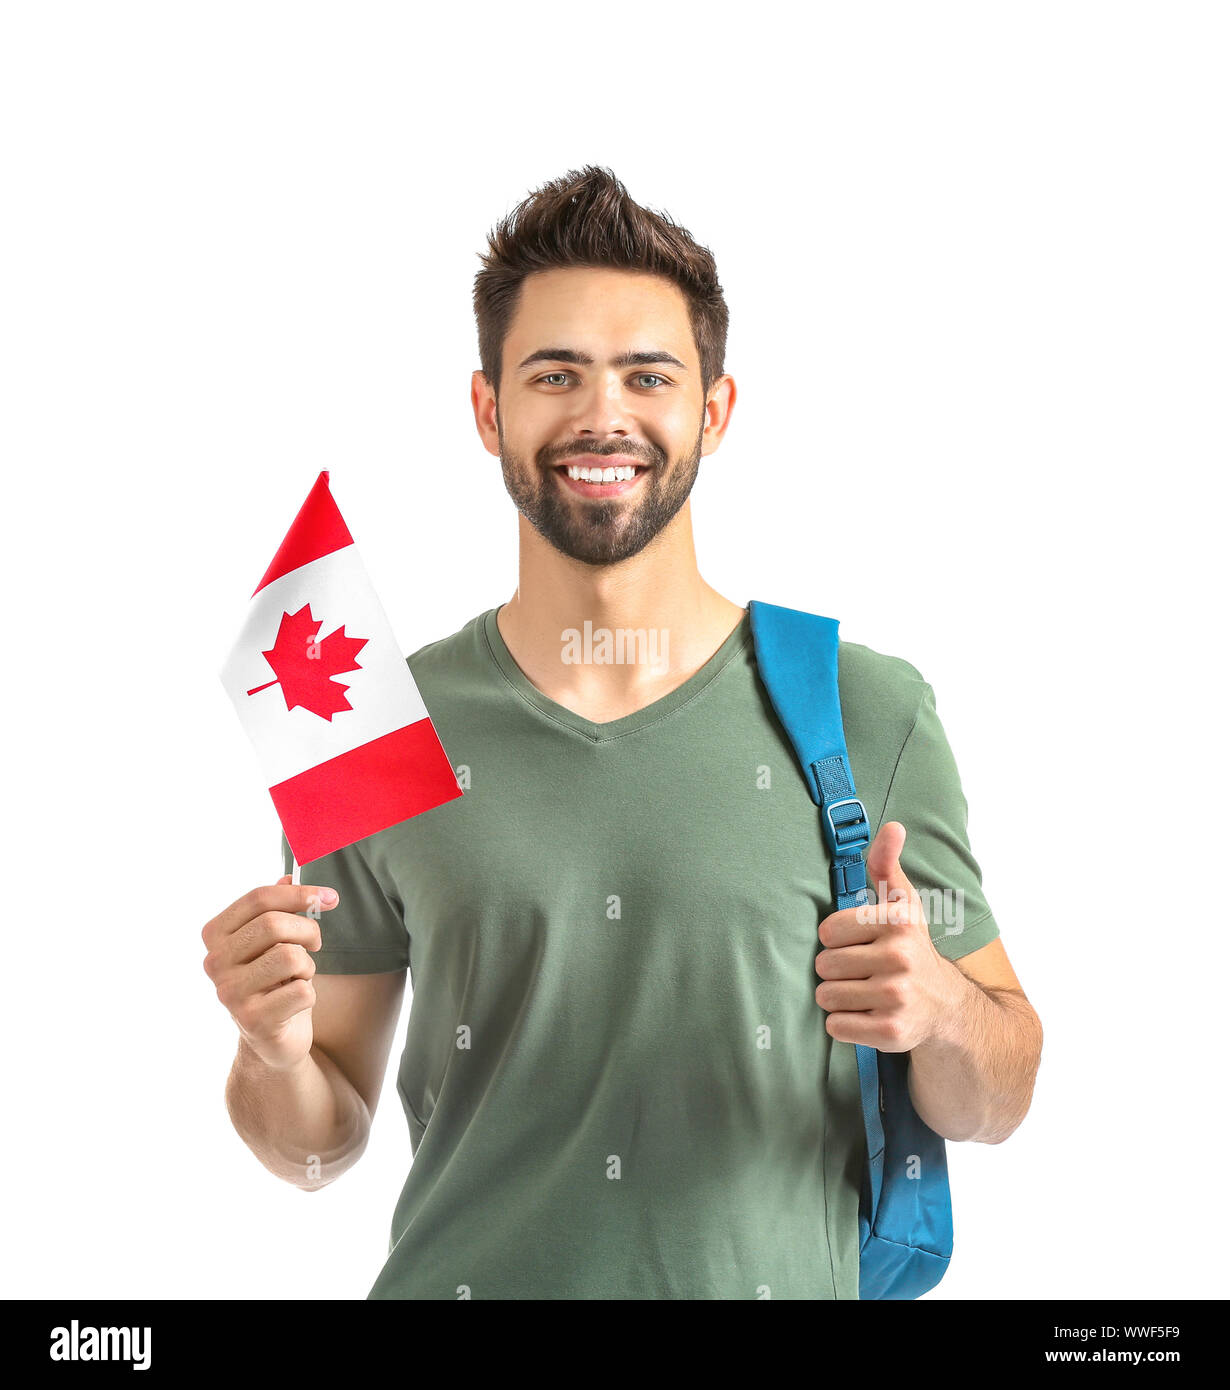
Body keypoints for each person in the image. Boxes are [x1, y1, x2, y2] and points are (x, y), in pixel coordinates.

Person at [202, 165, 1043, 1300]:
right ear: (490, 408)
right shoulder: (380, 727)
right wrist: (270, 1051)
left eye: (648, 374)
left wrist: (937, 1012)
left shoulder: (863, 707)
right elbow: (320, 1143)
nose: (603, 415)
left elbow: (1001, 1091)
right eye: (556, 374)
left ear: (714, 409)